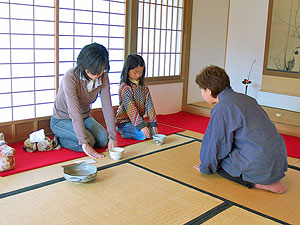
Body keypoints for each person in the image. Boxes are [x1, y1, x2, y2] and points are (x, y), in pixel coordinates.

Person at [194, 65, 288, 194]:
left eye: (202, 90)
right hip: (278, 158)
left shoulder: (222, 107)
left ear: (209, 91)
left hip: (259, 161)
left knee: (219, 163)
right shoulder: (247, 98)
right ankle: (267, 177)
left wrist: (206, 167)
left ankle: (260, 182)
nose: (202, 93)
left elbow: (215, 143)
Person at [50, 43, 117, 159]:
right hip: (62, 119)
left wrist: (113, 137)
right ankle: (59, 138)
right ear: (84, 65)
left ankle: (78, 136)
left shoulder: (103, 77)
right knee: (89, 142)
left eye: (100, 70)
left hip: (85, 117)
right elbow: (74, 112)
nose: (97, 74)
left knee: (103, 139)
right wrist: (84, 142)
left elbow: (107, 107)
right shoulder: (70, 77)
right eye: (93, 71)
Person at [115, 54, 158, 140]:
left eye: (141, 72)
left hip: (137, 121)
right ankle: (122, 130)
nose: (138, 75)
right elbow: (131, 109)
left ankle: (136, 128)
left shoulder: (144, 87)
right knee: (143, 135)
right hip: (124, 121)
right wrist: (141, 127)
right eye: (135, 72)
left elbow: (150, 105)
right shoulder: (125, 88)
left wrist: (153, 123)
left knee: (152, 133)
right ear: (127, 70)